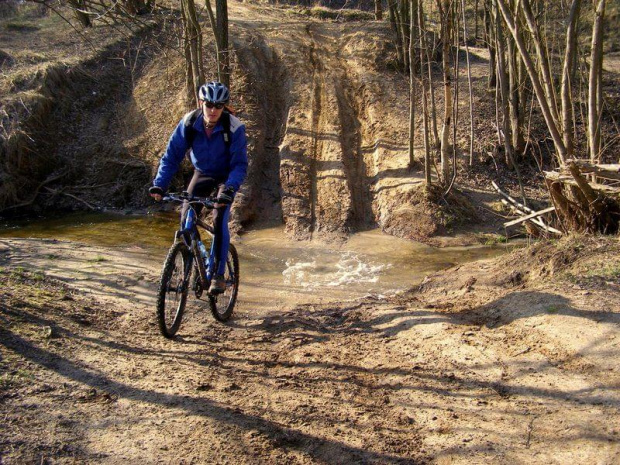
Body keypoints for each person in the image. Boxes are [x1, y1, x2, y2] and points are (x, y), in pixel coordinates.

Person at [149, 81, 248, 294]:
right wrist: (159, 184)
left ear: (224, 107)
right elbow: (171, 157)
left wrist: (230, 188)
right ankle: (189, 265)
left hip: (226, 176)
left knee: (219, 217)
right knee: (186, 217)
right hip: (202, 173)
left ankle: (219, 274)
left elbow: (240, 164)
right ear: (200, 102)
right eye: (209, 104)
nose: (213, 110)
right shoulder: (189, 123)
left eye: (218, 106)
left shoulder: (234, 127)